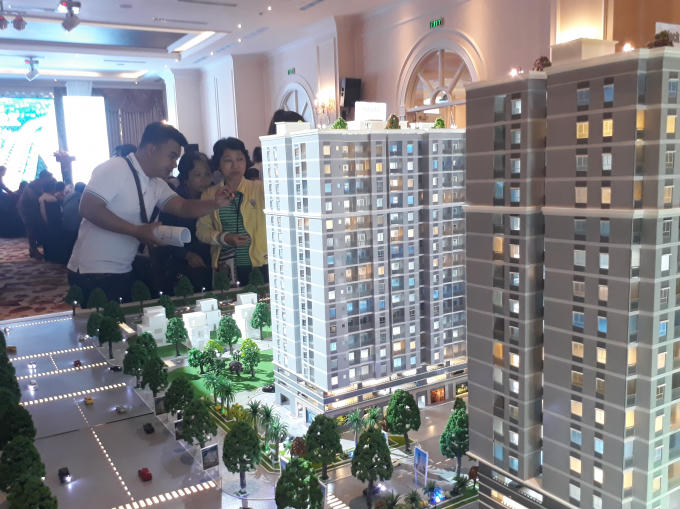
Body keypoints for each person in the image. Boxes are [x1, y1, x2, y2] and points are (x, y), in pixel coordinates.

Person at [67, 122, 233, 303]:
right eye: (172, 156)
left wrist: (215, 203)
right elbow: (88, 208)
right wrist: (137, 231)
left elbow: (183, 207)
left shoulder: (156, 182)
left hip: (123, 268)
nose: (174, 164)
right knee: (101, 321)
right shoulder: (116, 168)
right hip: (92, 271)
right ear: (152, 149)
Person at [197, 137, 267, 287]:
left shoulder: (260, 189)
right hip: (225, 268)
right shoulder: (209, 195)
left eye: (240, 159)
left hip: (260, 264)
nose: (235, 165)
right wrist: (224, 238)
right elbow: (201, 231)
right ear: (218, 164)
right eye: (228, 160)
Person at [156, 151, 213, 293]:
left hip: (209, 259)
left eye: (207, 174)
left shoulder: (213, 197)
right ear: (185, 178)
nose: (204, 180)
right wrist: (187, 255)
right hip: (181, 263)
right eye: (197, 175)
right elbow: (165, 235)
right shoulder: (174, 200)